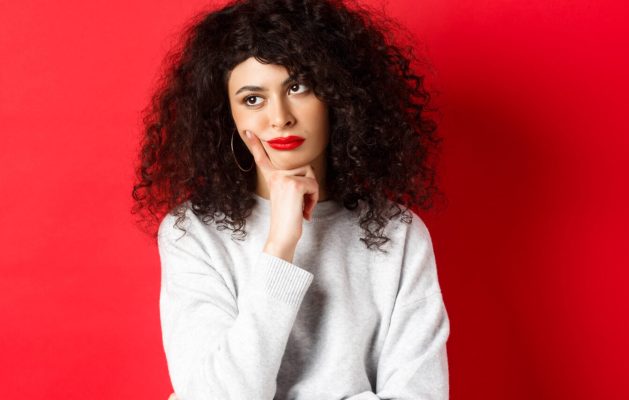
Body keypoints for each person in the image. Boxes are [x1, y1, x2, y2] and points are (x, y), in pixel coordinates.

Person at [130, 0, 448, 398]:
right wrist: (280, 244)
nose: (279, 117)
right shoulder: (192, 233)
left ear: (338, 96)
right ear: (226, 115)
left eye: (298, 87)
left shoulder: (398, 233)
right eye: (252, 99)